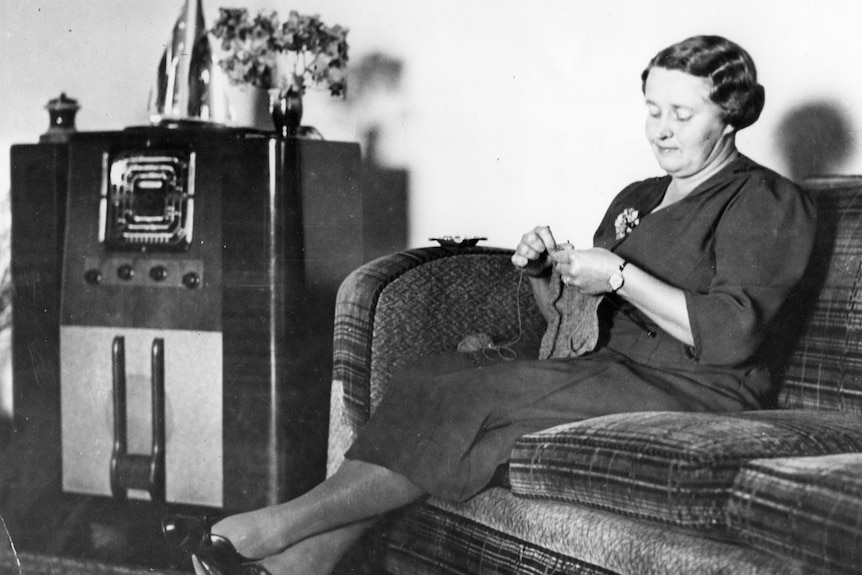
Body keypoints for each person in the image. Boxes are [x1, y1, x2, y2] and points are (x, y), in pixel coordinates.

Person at [165, 34, 817, 575]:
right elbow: (580, 320)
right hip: (612, 368)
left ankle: (264, 528)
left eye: (683, 113)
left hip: (699, 388)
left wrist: (618, 272)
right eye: (653, 110)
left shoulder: (766, 199)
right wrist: (548, 273)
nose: (661, 130)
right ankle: (306, 560)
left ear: (729, 113)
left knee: (472, 397)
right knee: (433, 372)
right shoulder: (640, 194)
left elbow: (732, 333)